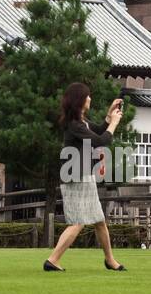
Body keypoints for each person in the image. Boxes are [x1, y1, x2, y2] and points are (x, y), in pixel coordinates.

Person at [43, 83, 126, 272]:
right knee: (78, 222)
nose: (90, 99)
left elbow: (97, 131)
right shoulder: (74, 125)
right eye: (87, 96)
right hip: (77, 177)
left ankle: (110, 260)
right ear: (80, 100)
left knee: (99, 221)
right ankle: (53, 260)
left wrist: (108, 115)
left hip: (83, 176)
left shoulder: (82, 123)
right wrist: (113, 123)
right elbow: (100, 141)